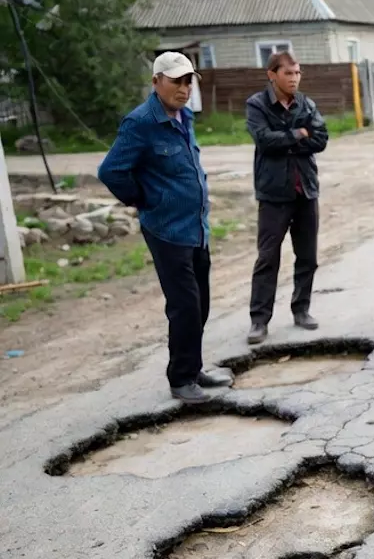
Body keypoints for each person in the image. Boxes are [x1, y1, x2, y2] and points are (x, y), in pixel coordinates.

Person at [98, 52, 232, 404]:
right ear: (156, 81)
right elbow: (111, 171)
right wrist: (145, 199)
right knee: (184, 304)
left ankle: (194, 367)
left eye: (188, 81)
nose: (184, 88)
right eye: (176, 81)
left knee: (200, 302)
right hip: (166, 229)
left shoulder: (184, 117)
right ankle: (181, 378)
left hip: (195, 227)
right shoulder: (140, 123)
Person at [245, 51, 329, 345]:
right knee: (268, 257)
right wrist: (298, 134)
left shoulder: (306, 103)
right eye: (288, 74)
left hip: (305, 189)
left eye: (297, 73)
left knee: (307, 255)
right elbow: (265, 141)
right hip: (273, 194)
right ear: (272, 75)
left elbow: (321, 139)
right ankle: (259, 320)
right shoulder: (256, 104)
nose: (294, 79)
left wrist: (290, 139)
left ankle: (301, 309)